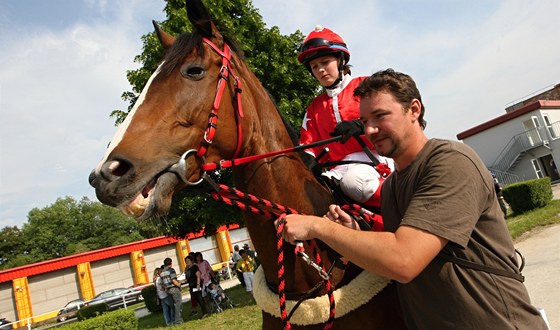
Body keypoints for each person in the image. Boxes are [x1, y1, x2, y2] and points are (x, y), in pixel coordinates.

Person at [278, 69, 548, 329]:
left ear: (414, 110)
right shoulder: (394, 184)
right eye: (364, 122)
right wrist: (356, 232)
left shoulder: (450, 162)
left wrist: (319, 227)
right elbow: (401, 247)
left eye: (380, 116)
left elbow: (404, 259)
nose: (370, 130)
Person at [297, 25, 393, 221]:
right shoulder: (313, 109)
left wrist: (361, 125)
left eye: (325, 62)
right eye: (314, 67)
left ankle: (404, 208)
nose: (320, 70)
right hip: (336, 170)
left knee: (354, 181)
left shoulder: (367, 86)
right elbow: (307, 145)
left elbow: (392, 115)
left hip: (377, 161)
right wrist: (306, 160)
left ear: (341, 61)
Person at [159, 257, 183, 325]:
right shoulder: (171, 270)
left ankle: (174, 320)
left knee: (173, 306)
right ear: (171, 263)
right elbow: (173, 280)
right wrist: (179, 285)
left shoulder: (162, 273)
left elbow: (162, 284)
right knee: (178, 304)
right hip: (174, 289)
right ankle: (178, 321)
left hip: (168, 290)